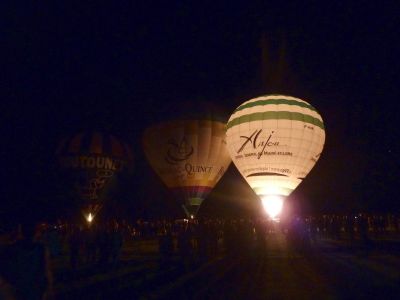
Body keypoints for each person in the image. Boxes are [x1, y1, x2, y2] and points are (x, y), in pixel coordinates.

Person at [0, 222, 53, 300]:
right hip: (36, 288)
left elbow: (4, 269)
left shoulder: (12, 248)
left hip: (20, 288)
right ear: (36, 233)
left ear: (21, 232)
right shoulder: (41, 249)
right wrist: (50, 287)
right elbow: (47, 270)